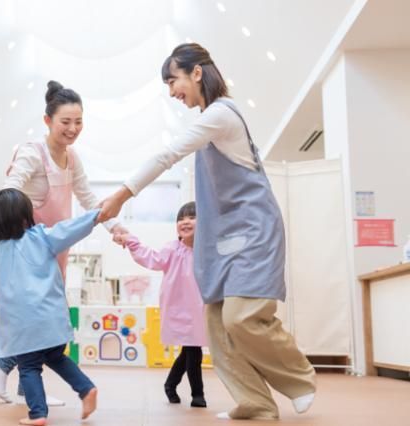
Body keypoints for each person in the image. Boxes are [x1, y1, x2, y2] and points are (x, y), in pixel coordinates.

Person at [99, 43, 316, 420]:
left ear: (196, 73)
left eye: (173, 81)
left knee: (242, 317)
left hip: (253, 230)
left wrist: (121, 196)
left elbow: (166, 155)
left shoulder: (221, 115)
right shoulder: (208, 119)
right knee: (216, 325)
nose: (172, 92)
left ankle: (300, 378)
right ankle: (256, 402)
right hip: (222, 239)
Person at [0, 80, 124, 406]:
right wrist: (9, 227)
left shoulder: (72, 158)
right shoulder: (32, 152)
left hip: (55, 245)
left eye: (78, 122)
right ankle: (13, 375)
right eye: (65, 121)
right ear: (48, 120)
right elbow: (11, 187)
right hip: (30, 248)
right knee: (32, 315)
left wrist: (115, 226)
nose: (73, 129)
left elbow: (87, 197)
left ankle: (9, 372)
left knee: (44, 316)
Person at [0, 188, 99, 426]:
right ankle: (86, 388)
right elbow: (72, 228)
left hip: (22, 326)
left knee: (28, 367)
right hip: (52, 318)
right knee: (56, 357)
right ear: (26, 216)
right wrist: (96, 214)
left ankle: (37, 414)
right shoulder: (42, 237)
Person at [114, 201, 207, 407]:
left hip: (199, 307)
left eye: (192, 217)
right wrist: (131, 241)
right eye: (181, 219)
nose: (185, 222)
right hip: (178, 306)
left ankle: (170, 384)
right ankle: (197, 395)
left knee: (190, 348)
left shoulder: (207, 251)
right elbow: (152, 258)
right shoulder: (172, 249)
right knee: (193, 349)